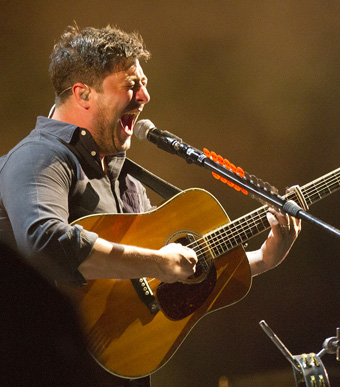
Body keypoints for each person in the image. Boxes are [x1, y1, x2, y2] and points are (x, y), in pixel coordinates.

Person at [0, 25, 300, 386]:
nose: (144, 96)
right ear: (82, 94)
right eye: (130, 84)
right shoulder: (40, 156)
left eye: (143, 83)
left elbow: (165, 273)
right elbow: (43, 240)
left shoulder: (124, 178)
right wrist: (159, 260)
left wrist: (265, 258)